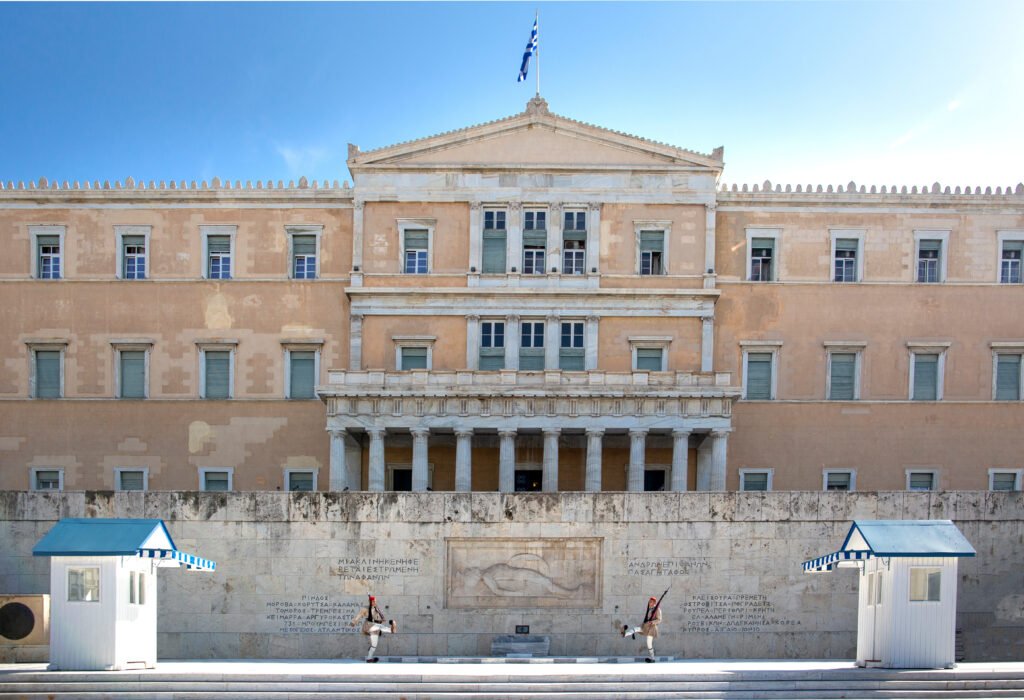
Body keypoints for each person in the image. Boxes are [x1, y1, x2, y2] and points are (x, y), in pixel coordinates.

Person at [351, 594, 396, 662]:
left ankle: (369, 658)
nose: (374, 602)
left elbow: (377, 619)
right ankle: (391, 630)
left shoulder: (376, 609)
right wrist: (354, 622)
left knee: (374, 645)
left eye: (375, 601)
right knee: (380, 626)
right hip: (368, 625)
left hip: (375, 628)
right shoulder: (365, 608)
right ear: (370, 601)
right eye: (373, 601)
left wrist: (381, 619)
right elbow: (359, 615)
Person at [621, 595, 663, 662]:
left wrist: (652, 622)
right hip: (645, 626)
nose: (650, 603)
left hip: (652, 628)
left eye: (651, 602)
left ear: (654, 603)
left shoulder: (657, 610)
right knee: (636, 628)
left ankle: (653, 658)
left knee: (649, 644)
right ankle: (625, 634)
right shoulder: (649, 609)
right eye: (649, 602)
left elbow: (659, 620)